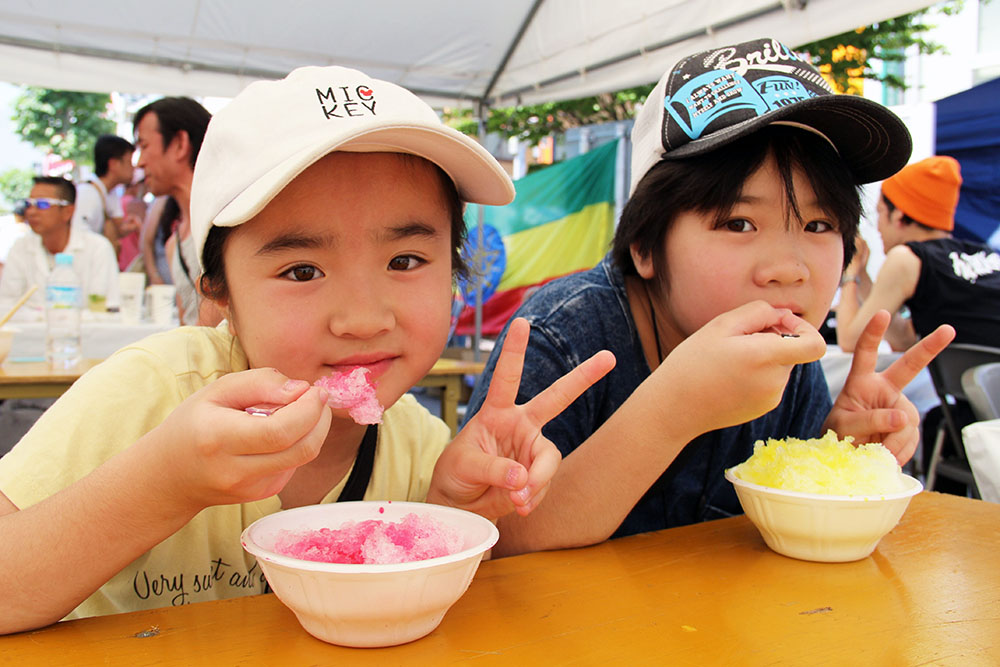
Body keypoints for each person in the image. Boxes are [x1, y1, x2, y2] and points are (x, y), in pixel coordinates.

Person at [0, 64, 614, 633]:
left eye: (405, 260)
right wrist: (165, 482)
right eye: (301, 271)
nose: (363, 319)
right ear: (219, 288)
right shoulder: (153, 392)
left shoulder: (419, 447)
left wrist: (443, 511)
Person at [463, 37, 955, 557]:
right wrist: (674, 407)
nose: (788, 268)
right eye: (739, 223)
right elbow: (494, 542)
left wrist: (835, 460)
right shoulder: (562, 335)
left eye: (818, 223)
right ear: (646, 245)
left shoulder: (790, 359)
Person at [836, 156, 1000, 352]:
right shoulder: (985, 255)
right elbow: (904, 339)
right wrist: (862, 274)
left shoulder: (908, 258)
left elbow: (851, 342)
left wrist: (850, 272)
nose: (877, 227)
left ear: (898, 215)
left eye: (879, 212)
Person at [133, 97, 217, 325]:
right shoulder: (174, 244)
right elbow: (187, 324)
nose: (139, 162)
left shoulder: (225, 223)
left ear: (180, 143)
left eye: (143, 146)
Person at [0, 175, 120, 315]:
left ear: (68, 211)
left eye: (42, 204)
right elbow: (6, 304)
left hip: (84, 334)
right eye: (28, 204)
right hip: (30, 335)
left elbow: (106, 307)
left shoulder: (97, 248)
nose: (31, 212)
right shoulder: (20, 247)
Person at [71, 134, 137, 259]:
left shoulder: (110, 194)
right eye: (129, 162)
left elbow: (118, 229)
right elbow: (78, 238)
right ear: (113, 164)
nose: (134, 168)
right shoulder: (88, 194)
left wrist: (130, 227)